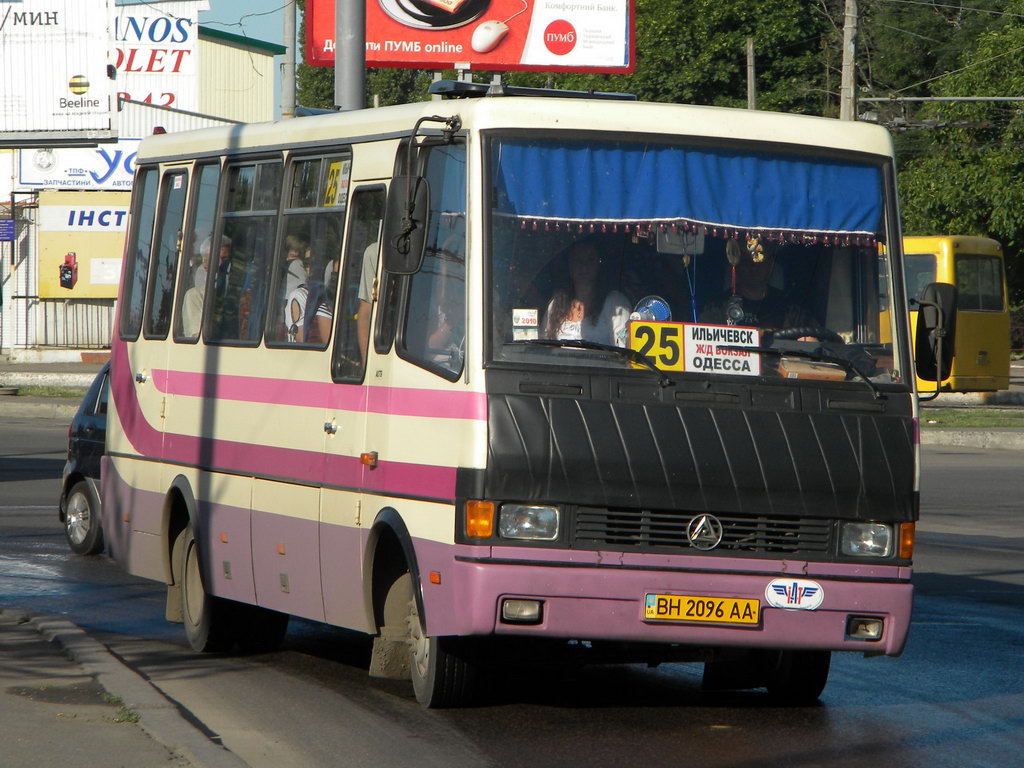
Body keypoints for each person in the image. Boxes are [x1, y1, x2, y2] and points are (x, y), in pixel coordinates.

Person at [700, 239, 818, 333]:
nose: (753, 267)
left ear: (770, 264)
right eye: (746, 261)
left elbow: (817, 337)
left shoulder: (790, 308)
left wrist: (809, 340)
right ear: (736, 264)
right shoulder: (717, 307)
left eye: (758, 261)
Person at [542, 238, 630, 347]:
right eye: (578, 260)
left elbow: (624, 350)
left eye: (590, 259)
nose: (584, 266)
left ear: (599, 264)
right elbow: (544, 348)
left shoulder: (615, 304)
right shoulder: (556, 304)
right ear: (569, 265)